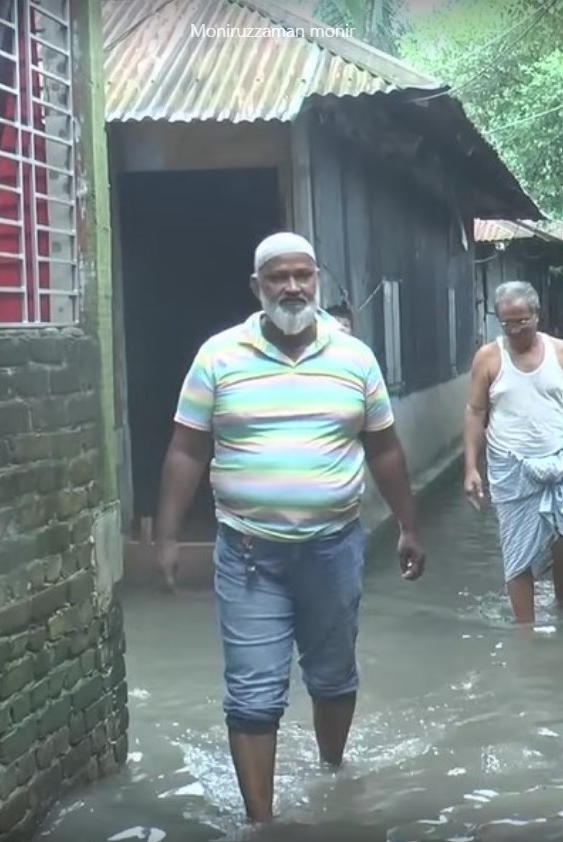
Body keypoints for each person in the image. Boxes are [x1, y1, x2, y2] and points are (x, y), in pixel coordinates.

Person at [153, 231, 427, 824]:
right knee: (253, 694)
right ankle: (260, 824)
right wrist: (168, 536)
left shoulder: (354, 357)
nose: (294, 287)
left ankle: (331, 770)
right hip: (249, 554)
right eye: (279, 277)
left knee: (332, 675)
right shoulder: (219, 356)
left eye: (304, 275)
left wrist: (409, 525)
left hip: (334, 549)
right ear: (257, 287)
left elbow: (384, 449)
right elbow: (186, 451)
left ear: (317, 280)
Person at [461, 280, 563, 625]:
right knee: (518, 552)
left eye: (522, 320)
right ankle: (526, 633)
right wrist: (471, 468)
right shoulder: (489, 357)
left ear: (537, 314)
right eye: (507, 322)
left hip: (559, 463)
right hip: (510, 468)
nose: (516, 329)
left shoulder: (562, 352)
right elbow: (475, 412)